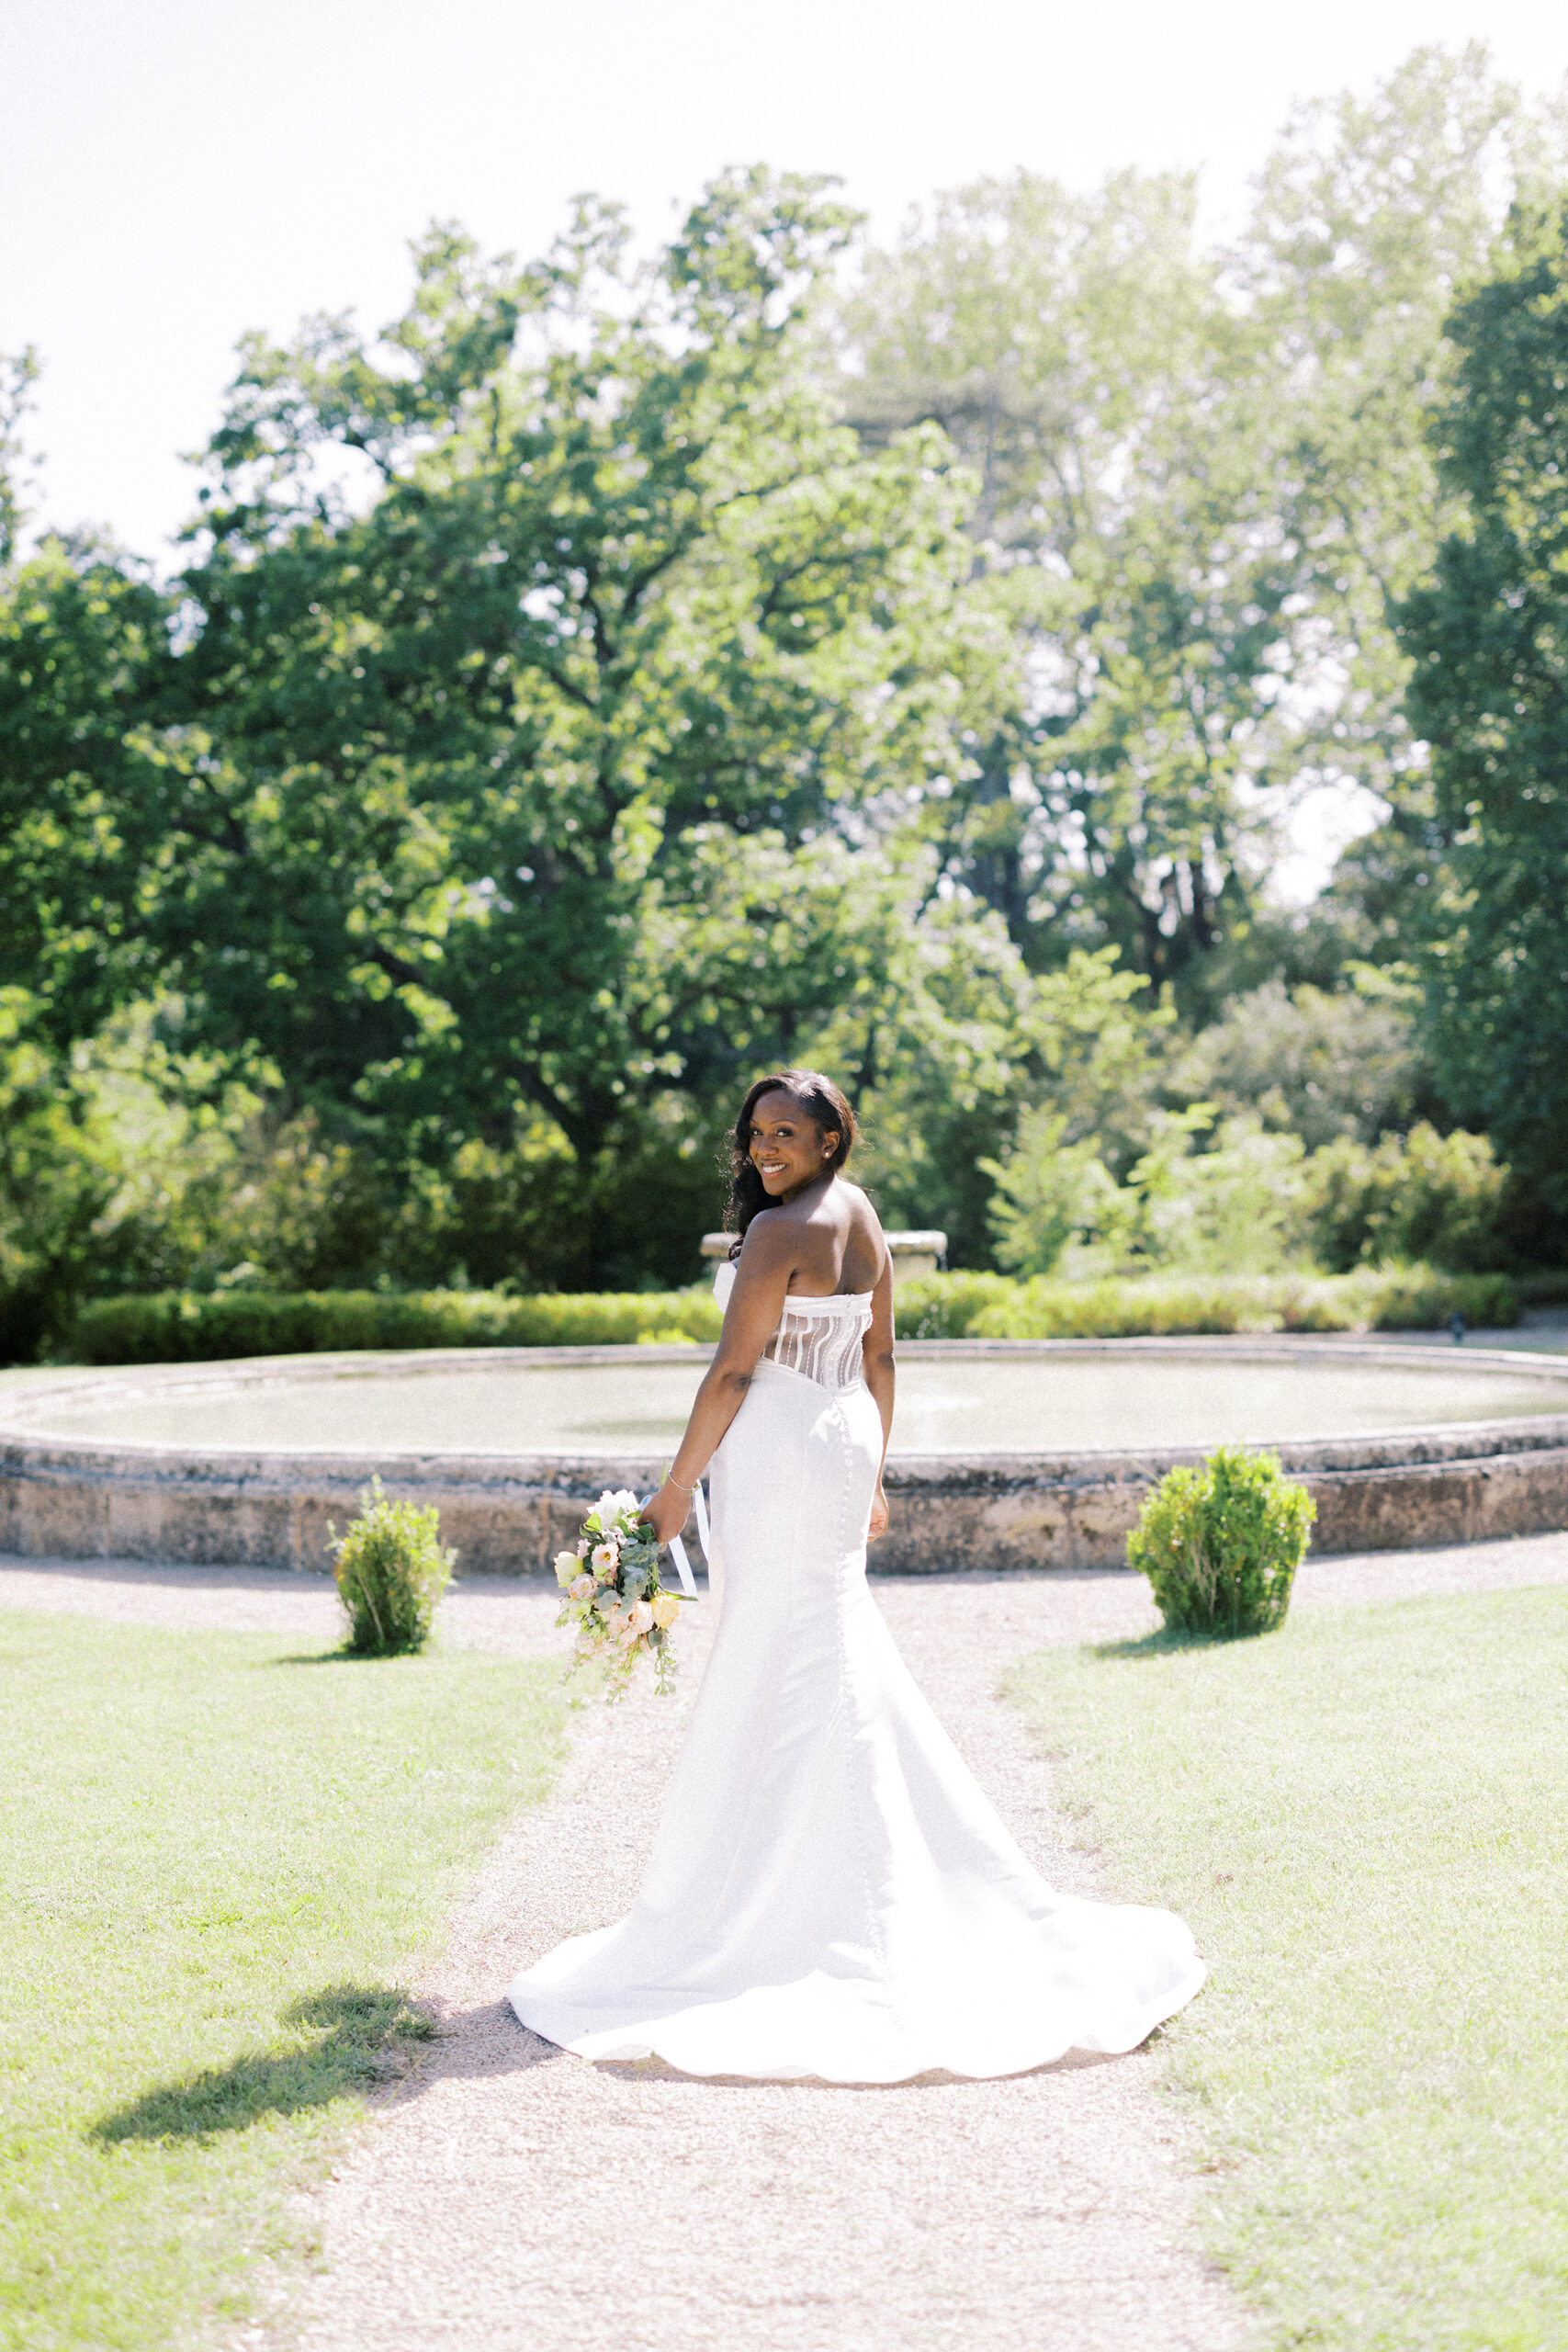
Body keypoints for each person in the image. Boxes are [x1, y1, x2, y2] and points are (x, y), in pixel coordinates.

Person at [509, 1069, 1204, 2083]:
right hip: (834, 1441)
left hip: (783, 1449)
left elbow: (735, 1372)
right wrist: (871, 1471)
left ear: (834, 1139)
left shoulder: (775, 1237)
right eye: (755, 1134)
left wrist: (670, 1497)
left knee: (785, 1647)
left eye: (788, 1134)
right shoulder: (863, 1216)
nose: (765, 1151)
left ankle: (788, 1905)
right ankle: (831, 1870)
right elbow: (880, 1361)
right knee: (818, 1643)